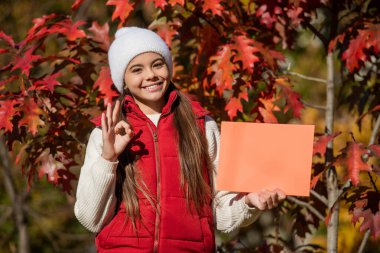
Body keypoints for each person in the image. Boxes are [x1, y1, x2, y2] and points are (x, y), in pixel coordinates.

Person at [74, 27, 286, 253]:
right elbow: (90, 219)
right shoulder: (108, 131)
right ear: (123, 80)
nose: (151, 75)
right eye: (137, 69)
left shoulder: (202, 126)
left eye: (157, 64)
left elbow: (222, 217)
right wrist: (109, 158)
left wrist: (249, 203)